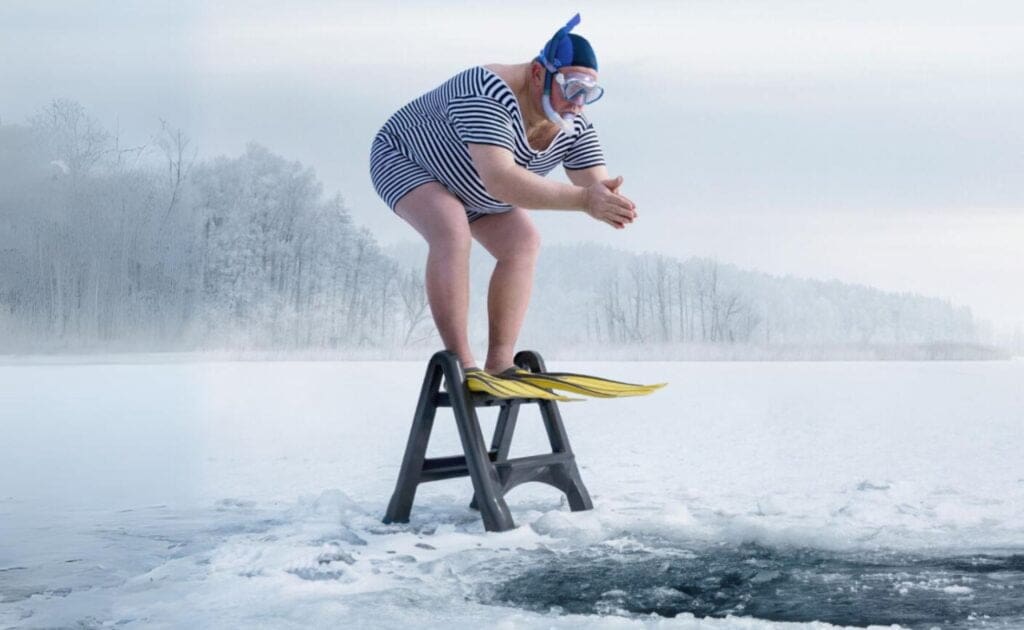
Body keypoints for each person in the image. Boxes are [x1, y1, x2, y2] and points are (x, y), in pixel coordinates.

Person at [369, 14, 637, 398]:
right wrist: (582, 200)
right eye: (572, 87)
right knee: (451, 229)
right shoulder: (487, 90)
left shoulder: (574, 122)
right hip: (407, 159)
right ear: (538, 74)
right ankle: (463, 364)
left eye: (588, 93)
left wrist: (609, 201)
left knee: (523, 242)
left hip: (475, 186)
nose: (578, 103)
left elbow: (597, 185)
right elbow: (502, 180)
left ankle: (500, 363)